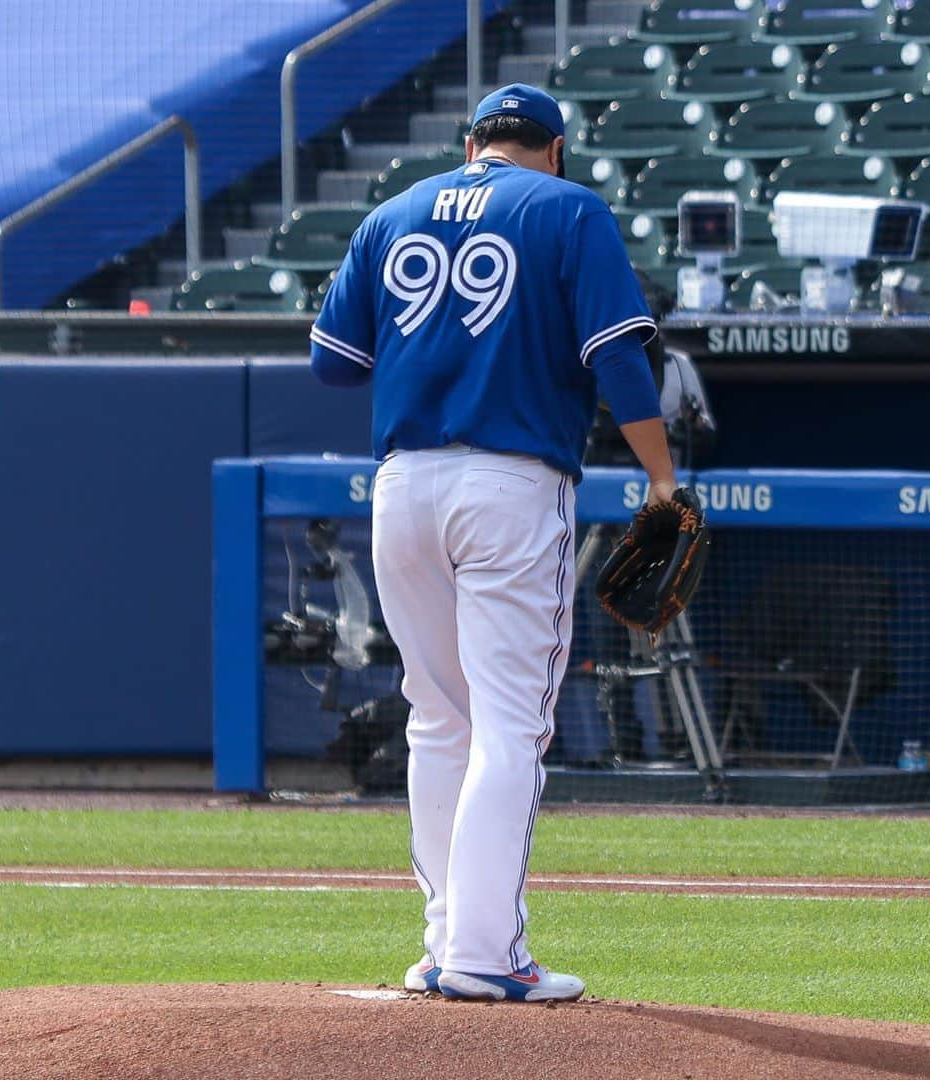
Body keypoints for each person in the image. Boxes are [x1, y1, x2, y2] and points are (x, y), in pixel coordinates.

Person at [310, 83, 678, 1003]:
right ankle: (486, 954)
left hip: (402, 486)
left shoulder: (393, 211)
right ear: (553, 149)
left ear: (473, 141)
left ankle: (444, 944)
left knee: (438, 718)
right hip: (511, 484)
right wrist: (663, 478)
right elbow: (618, 358)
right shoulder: (569, 207)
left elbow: (332, 361)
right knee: (512, 727)